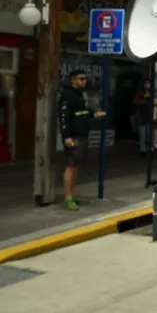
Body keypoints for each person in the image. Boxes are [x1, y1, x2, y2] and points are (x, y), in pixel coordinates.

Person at [58, 69, 105, 211]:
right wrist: (66, 136)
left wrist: (93, 114)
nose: (85, 81)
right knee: (71, 165)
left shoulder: (80, 95)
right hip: (74, 136)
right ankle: (67, 198)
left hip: (83, 134)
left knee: (76, 165)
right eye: (81, 79)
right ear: (73, 80)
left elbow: (83, 110)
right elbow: (63, 117)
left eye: (85, 79)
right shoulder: (67, 95)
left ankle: (72, 194)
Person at [133, 77, 154, 156]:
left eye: (149, 83)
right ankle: (143, 150)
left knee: (149, 134)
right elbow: (135, 101)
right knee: (142, 133)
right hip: (141, 114)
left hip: (149, 114)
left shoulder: (151, 91)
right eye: (146, 83)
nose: (147, 85)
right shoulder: (140, 92)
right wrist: (144, 101)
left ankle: (149, 149)